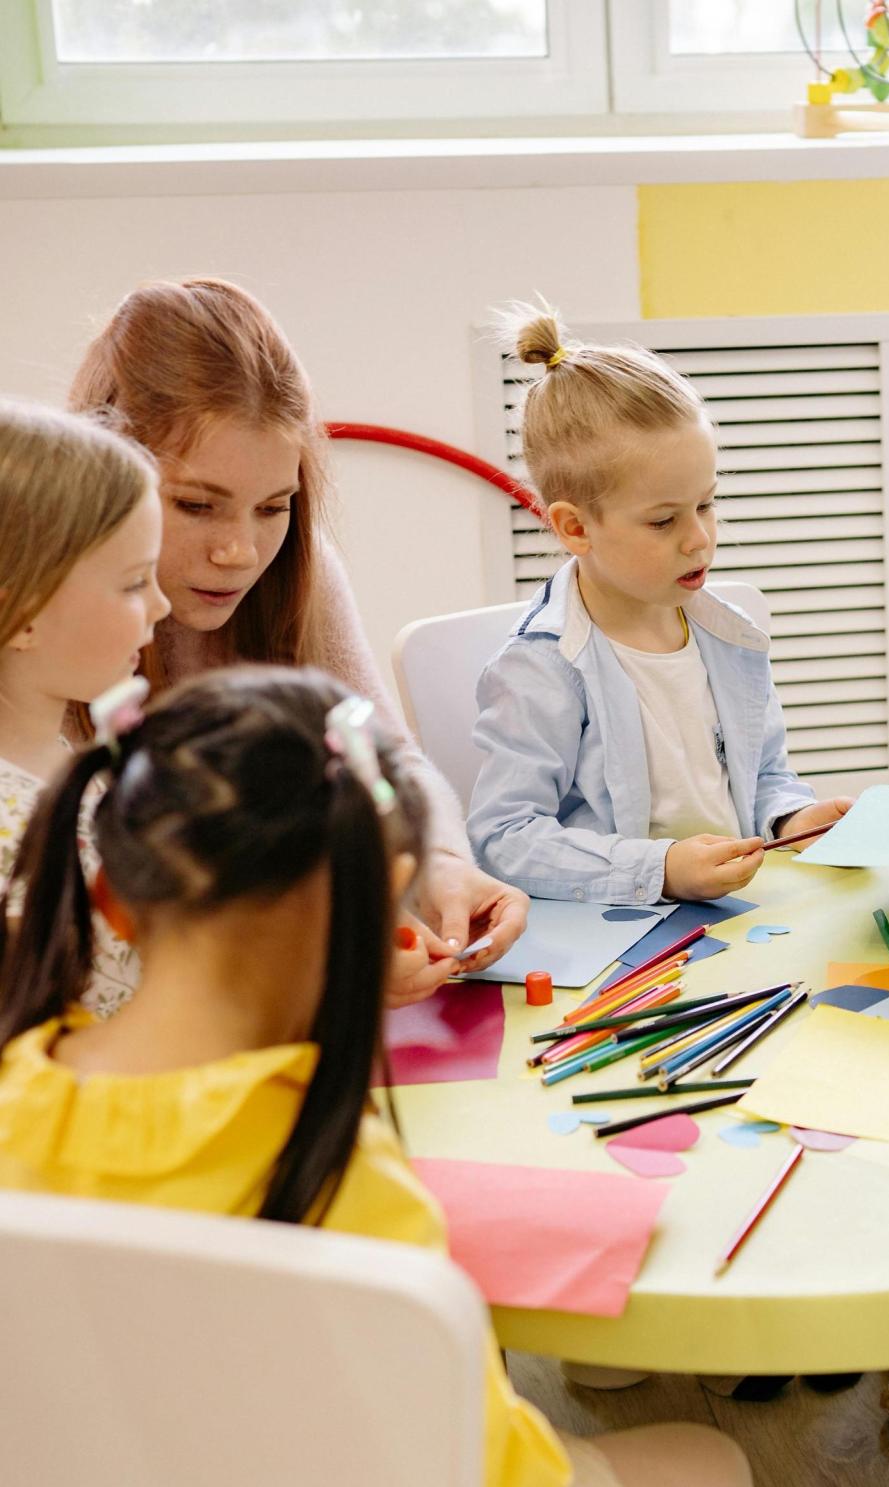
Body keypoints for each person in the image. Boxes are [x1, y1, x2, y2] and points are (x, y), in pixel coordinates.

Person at [0, 666, 751, 1487]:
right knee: (712, 1456)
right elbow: (481, 1460)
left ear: (110, 894)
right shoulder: (340, 1175)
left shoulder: (14, 1096)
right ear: (379, 904)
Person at [67, 277, 526, 1003]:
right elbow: (101, 927)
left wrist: (439, 861)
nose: (241, 552)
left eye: (273, 507)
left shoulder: (300, 568)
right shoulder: (51, 626)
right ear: (102, 468)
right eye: (197, 505)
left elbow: (385, 757)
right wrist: (317, 960)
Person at [467, 308, 849, 905]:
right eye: (664, 520)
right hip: (621, 932)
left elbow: (764, 776)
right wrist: (661, 869)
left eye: (707, 504)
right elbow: (504, 837)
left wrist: (791, 819)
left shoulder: (730, 636)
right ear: (575, 528)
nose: (699, 538)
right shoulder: (543, 667)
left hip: (735, 912)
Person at [0, 399, 168, 1014]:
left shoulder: (71, 762)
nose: (161, 606)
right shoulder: (13, 828)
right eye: (134, 582)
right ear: (22, 614)